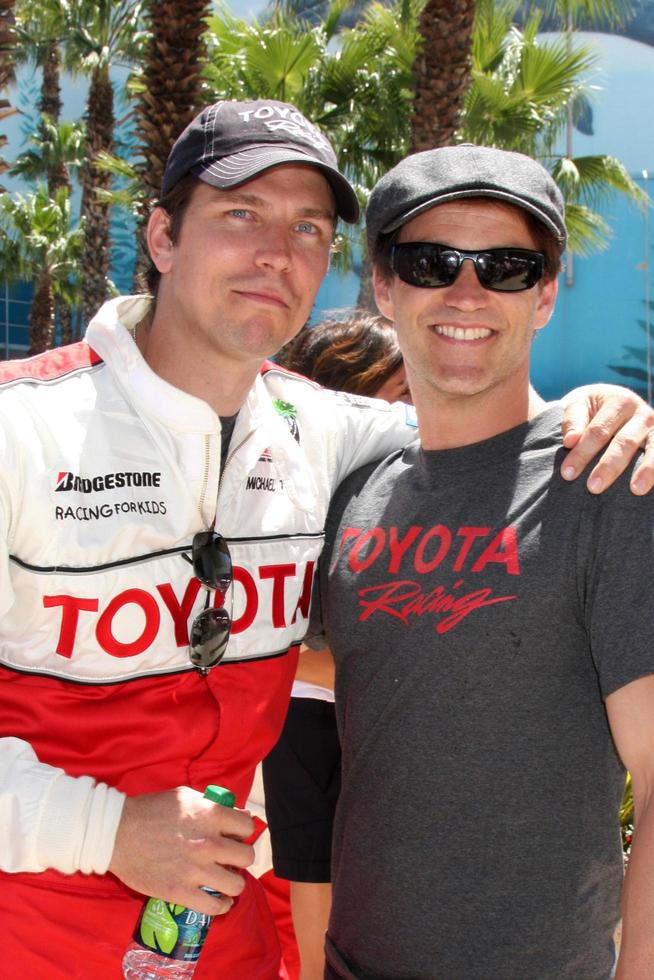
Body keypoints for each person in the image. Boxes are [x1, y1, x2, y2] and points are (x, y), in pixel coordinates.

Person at [0, 98, 650, 980]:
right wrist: (104, 828)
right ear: (160, 236)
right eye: (240, 214)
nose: (276, 253)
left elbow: (483, 433)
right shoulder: (19, 429)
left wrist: (605, 416)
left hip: (226, 949)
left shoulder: (333, 434)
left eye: (308, 228)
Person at [309, 144, 654, 980]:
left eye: (504, 267)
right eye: (432, 262)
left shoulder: (607, 480)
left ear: (544, 295)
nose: (467, 293)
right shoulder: (350, 486)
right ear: (385, 289)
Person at [264, 314, 411, 980]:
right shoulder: (288, 500)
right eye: (402, 397)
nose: (417, 414)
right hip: (312, 728)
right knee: (318, 918)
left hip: (371, 731)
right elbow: (282, 653)